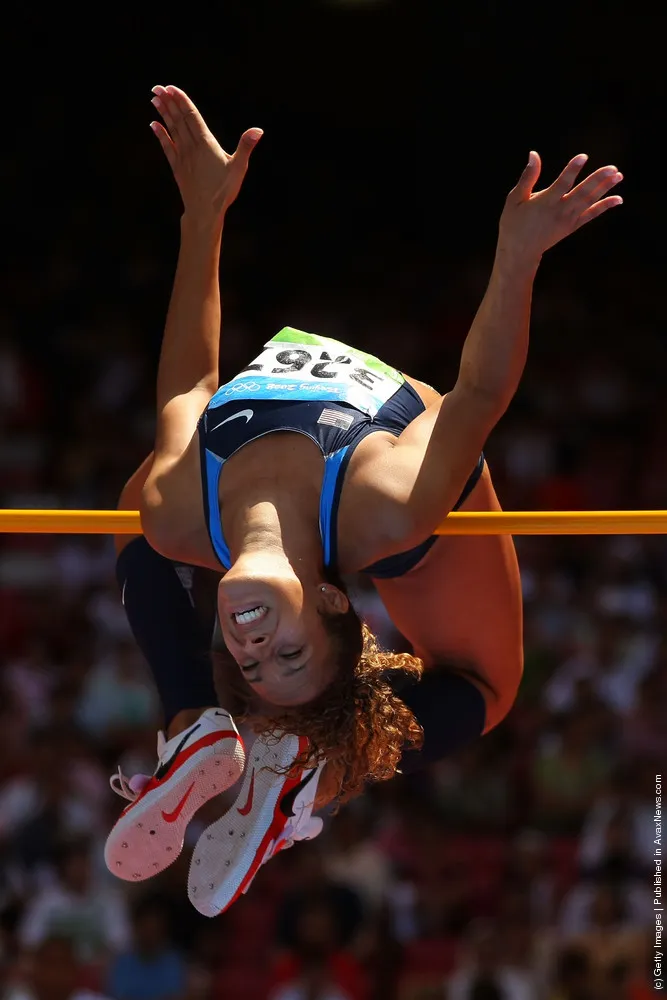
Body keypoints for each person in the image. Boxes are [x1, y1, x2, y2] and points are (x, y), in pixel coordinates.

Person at [106, 84, 623, 916]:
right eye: (290, 655)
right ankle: (319, 769)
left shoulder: (179, 513)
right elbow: (479, 392)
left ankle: (194, 718)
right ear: (329, 600)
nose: (254, 648)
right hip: (390, 476)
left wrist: (201, 215)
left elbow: (189, 379)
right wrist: (517, 256)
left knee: (140, 510)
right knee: (486, 687)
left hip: (225, 496)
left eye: (247, 666)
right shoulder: (390, 511)